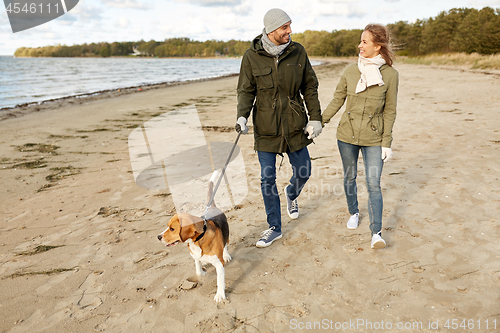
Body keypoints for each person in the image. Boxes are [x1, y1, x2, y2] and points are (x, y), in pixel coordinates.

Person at [235, 8, 322, 248]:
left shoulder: (298, 52)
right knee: (267, 179)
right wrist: (242, 116)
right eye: (285, 27)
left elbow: (310, 87)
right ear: (272, 30)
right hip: (266, 127)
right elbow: (246, 90)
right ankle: (274, 227)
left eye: (290, 25)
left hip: (295, 124)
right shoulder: (251, 56)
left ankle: (292, 193)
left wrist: (315, 118)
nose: (290, 31)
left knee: (304, 170)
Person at [322, 23, 399, 249]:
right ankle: (354, 212)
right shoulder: (350, 71)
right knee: (349, 177)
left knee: (373, 183)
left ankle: (376, 232)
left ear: (378, 46)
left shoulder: (391, 75)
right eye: (360, 41)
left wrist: (387, 142)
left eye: (364, 41)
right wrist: (320, 122)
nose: (360, 45)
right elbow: (337, 100)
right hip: (346, 136)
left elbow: (390, 110)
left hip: (374, 139)